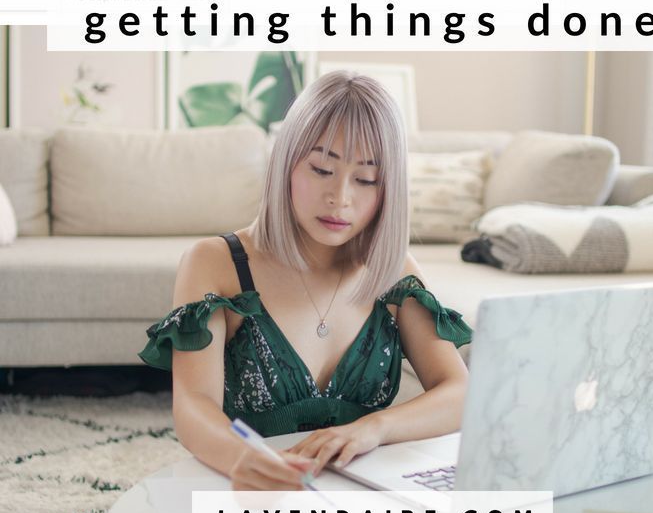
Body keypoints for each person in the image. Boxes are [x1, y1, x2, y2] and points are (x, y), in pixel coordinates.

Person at [139, 70, 472, 490]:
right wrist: (243, 458)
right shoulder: (216, 263)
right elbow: (193, 404)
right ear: (286, 163)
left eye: (366, 179)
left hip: (361, 497)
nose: (340, 197)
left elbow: (458, 393)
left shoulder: (395, 272)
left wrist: (375, 428)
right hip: (250, 490)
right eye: (321, 169)